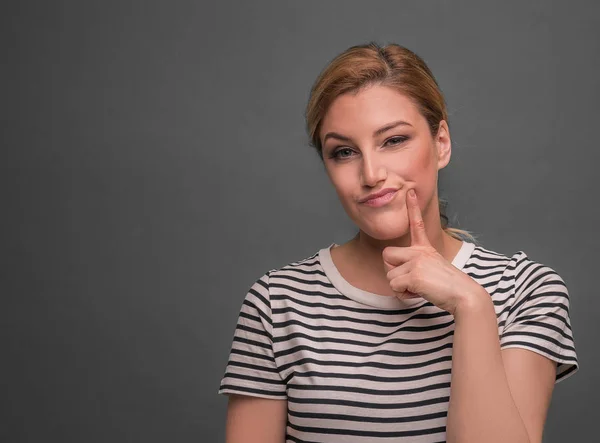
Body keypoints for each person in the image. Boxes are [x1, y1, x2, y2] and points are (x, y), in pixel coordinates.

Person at [217, 43, 579, 443]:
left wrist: (471, 307)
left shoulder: (525, 291)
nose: (371, 173)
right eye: (344, 152)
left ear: (441, 142)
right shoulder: (276, 303)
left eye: (393, 140)